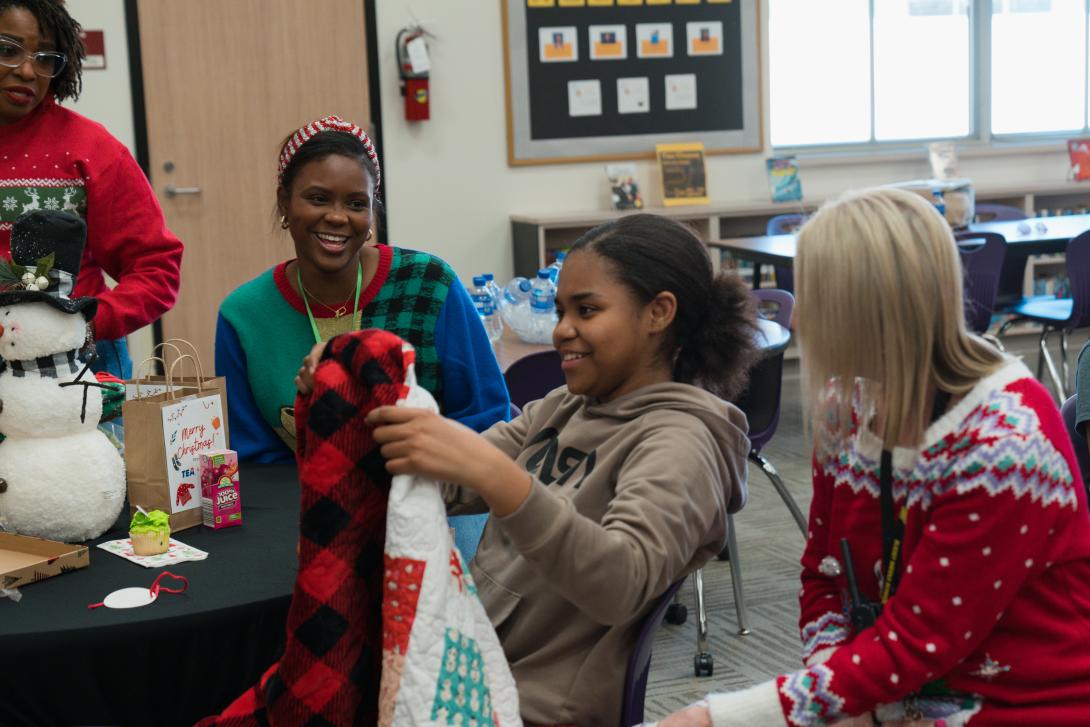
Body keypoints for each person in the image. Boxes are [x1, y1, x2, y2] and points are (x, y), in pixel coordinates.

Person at [299, 213, 759, 725]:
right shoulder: (565, 407)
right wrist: (346, 398)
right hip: (472, 663)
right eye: (562, 310)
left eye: (587, 310)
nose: (562, 331)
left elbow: (621, 582)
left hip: (532, 706)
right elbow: (443, 480)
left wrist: (498, 479)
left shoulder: (682, 443)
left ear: (658, 313)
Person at [659, 188, 1090, 727]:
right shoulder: (848, 405)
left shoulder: (1003, 446)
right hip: (890, 693)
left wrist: (722, 717)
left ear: (869, 311)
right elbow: (824, 575)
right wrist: (834, 687)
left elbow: (919, 644)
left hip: (1016, 706)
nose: (804, 318)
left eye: (815, 296)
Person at [215, 115, 509, 554]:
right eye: (317, 198)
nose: (337, 217)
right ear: (284, 202)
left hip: (441, 502)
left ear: (373, 211)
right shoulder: (244, 316)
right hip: (316, 513)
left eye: (356, 203)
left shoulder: (429, 285)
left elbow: (488, 416)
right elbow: (257, 461)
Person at [0, 0, 183, 379]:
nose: (28, 71)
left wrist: (85, 324)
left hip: (79, 361)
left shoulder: (90, 148)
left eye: (45, 57)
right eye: (7, 50)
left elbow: (156, 267)